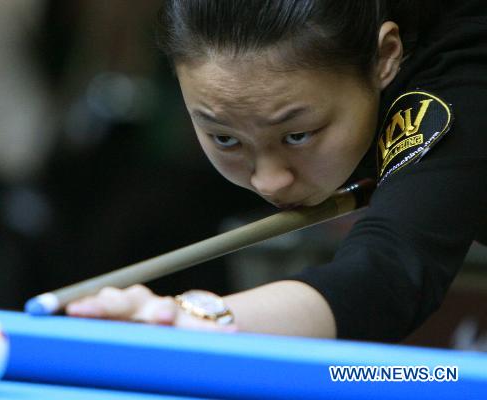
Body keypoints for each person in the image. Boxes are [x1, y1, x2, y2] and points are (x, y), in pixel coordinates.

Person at [65, 0, 487, 342]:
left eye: (298, 134)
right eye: (225, 139)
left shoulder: (463, 70)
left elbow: (388, 272)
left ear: (384, 57)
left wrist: (201, 320)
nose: (269, 181)